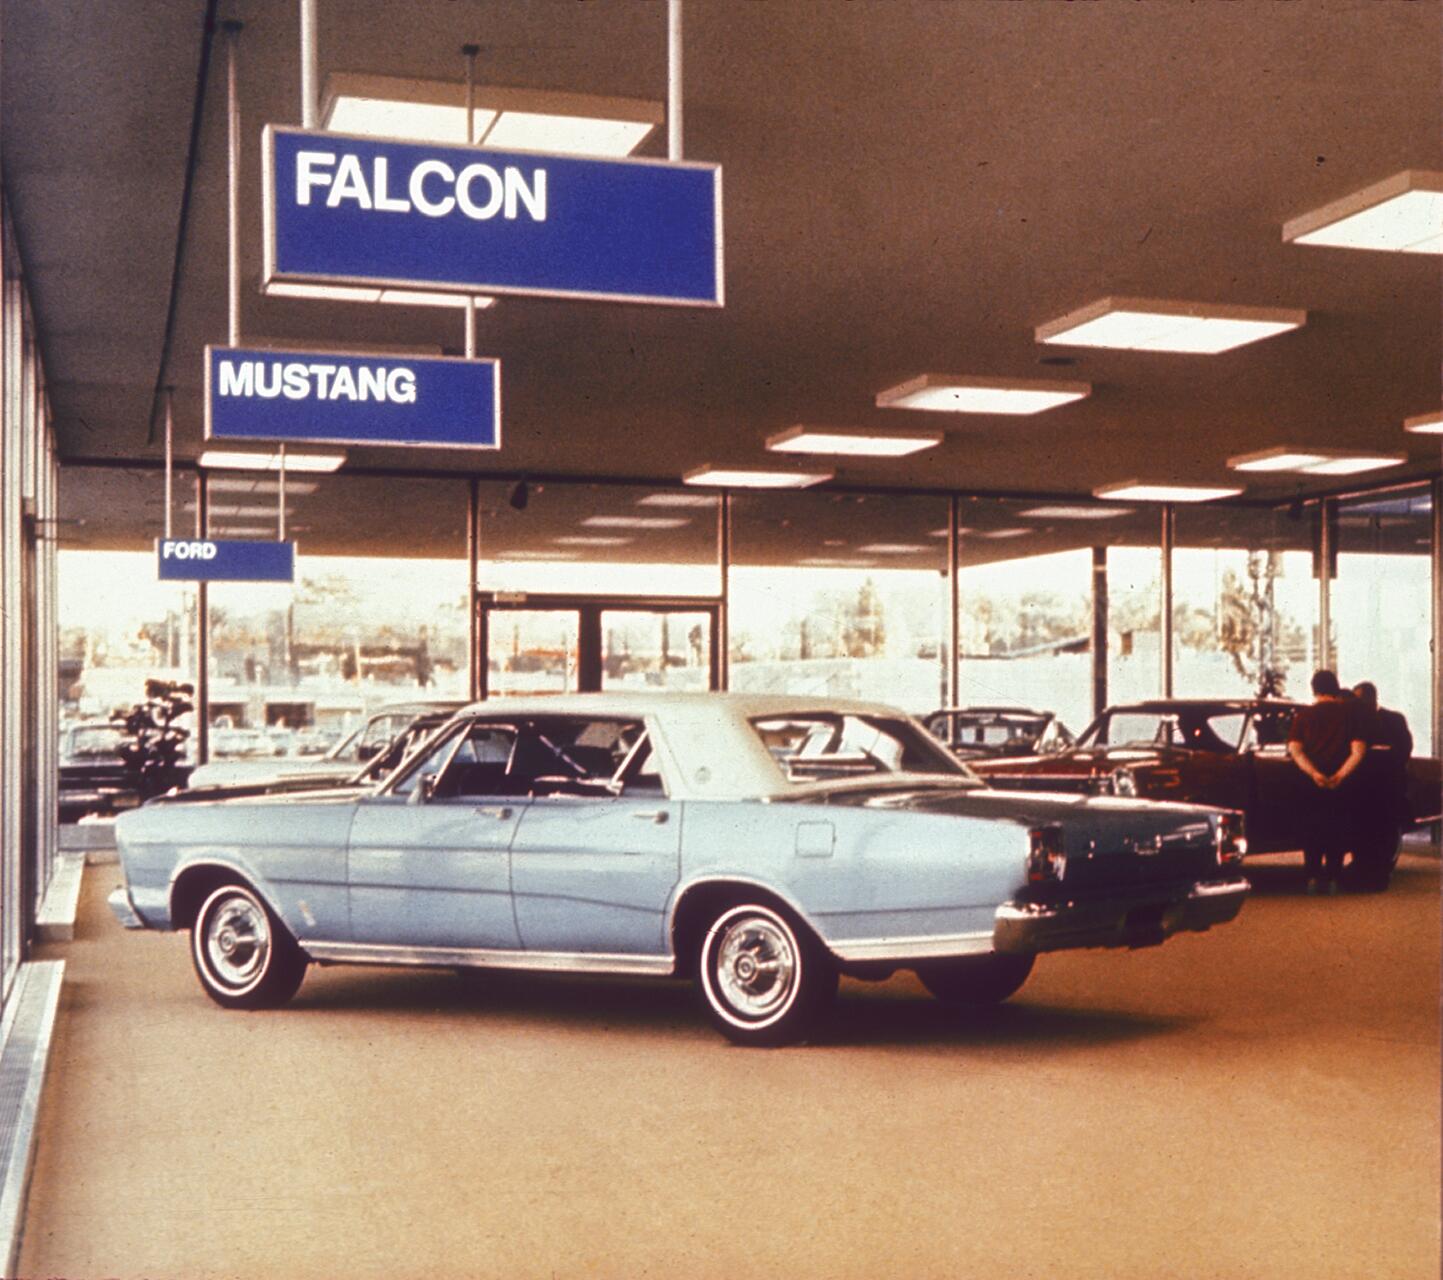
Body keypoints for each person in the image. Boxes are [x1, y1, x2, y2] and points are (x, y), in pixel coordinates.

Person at [1286, 670, 1368, 894]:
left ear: (1314, 689)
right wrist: (1341, 775)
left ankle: (1312, 876)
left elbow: (1295, 751)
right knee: (1338, 829)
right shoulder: (1350, 715)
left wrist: (1314, 774)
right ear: (1336, 687)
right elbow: (1358, 751)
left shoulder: (1304, 716)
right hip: (1343, 783)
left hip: (1312, 783)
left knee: (1312, 829)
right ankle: (1333, 877)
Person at [1349, 681, 1413, 890]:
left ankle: (1381, 872)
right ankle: (1365, 870)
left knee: (1385, 830)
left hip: (1388, 784)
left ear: (1372, 698)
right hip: (1366, 787)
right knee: (1365, 830)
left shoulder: (1393, 719)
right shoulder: (1356, 722)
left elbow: (1404, 749)